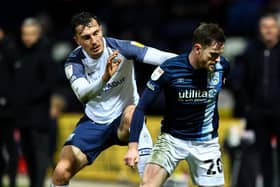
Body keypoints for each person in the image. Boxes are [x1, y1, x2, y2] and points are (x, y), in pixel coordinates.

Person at [50, 11, 177, 187]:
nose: (94, 41)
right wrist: (104, 78)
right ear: (77, 40)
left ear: (101, 30)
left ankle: (150, 182)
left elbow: (162, 57)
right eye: (86, 37)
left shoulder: (121, 48)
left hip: (123, 119)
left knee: (134, 113)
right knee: (60, 173)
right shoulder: (74, 62)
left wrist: (193, 62)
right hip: (93, 123)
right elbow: (83, 95)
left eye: (96, 33)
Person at [125, 23, 229, 187]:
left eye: (219, 55)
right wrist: (132, 147)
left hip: (206, 143)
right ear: (197, 48)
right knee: (148, 184)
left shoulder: (222, 67)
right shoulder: (169, 69)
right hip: (172, 140)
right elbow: (141, 108)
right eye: (213, 54)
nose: (217, 60)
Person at [231, 13, 280, 187]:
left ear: (278, 30)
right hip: (259, 114)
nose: (268, 30)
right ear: (259, 30)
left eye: (272, 26)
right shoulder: (250, 52)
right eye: (264, 27)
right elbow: (240, 82)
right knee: (264, 157)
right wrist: (248, 107)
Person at [13, 17, 56, 187]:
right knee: (28, 155)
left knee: (39, 157)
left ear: (38, 34)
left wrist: (27, 97)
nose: (27, 37)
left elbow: (49, 83)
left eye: (31, 34)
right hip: (23, 117)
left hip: (39, 117)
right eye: (25, 34)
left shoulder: (45, 54)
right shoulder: (19, 54)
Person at [0, 25, 19, 187]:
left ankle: (12, 181)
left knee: (10, 147)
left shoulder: (10, 49)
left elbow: (15, 80)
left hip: (9, 111)